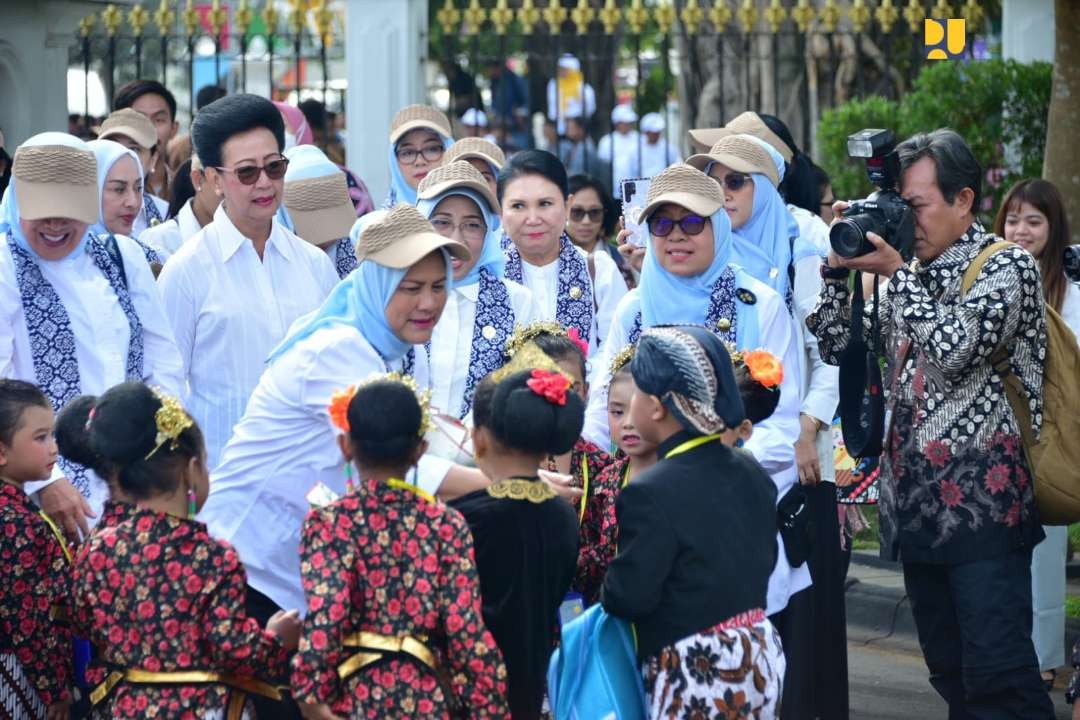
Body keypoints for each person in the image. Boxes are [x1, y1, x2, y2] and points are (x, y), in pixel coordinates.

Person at [808, 128, 1052, 717]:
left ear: (963, 200)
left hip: (985, 511)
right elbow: (838, 346)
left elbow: (952, 348)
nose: (904, 219)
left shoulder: (1006, 266)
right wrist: (840, 274)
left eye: (915, 206)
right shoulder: (899, 275)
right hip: (915, 510)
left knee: (1002, 678)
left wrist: (896, 272)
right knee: (950, 675)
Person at [200, 206, 490, 660]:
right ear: (374, 285)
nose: (429, 303)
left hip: (288, 566)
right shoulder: (339, 350)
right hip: (247, 563)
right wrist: (505, 484)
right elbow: (399, 463)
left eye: (438, 287)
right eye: (411, 288)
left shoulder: (381, 348)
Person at [68, 383, 300, 718]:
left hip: (124, 707)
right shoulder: (212, 556)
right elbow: (234, 649)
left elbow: (83, 621)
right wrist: (278, 639)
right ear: (192, 471)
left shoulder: (98, 547)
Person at [291, 375, 510, 719]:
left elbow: (327, 615)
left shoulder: (329, 523)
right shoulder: (446, 525)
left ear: (345, 445)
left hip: (354, 700)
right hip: (426, 699)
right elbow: (464, 629)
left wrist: (309, 695)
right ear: (420, 451)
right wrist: (489, 706)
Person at [0, 132, 183, 542]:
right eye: (43, 211)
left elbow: (164, 364)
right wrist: (45, 482)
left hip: (133, 489)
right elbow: (2, 390)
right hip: (40, 503)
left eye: (68, 211)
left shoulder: (123, 256)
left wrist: (157, 455)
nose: (54, 224)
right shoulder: (5, 265)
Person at [601, 325, 783, 719]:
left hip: (694, 666)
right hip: (758, 652)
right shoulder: (752, 472)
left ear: (655, 406)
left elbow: (629, 595)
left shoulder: (650, 490)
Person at [158, 94, 338, 470]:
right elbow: (166, 386)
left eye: (274, 167)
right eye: (246, 172)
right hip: (223, 480)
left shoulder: (314, 265)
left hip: (307, 474)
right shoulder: (187, 271)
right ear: (212, 179)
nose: (264, 183)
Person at [450, 353, 581, 720]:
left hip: (468, 690)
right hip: (528, 684)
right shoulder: (563, 515)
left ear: (478, 440)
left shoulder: (465, 517)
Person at [994, 178, 1077, 689]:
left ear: (1054, 228)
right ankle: (1008, 651)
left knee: (1047, 549)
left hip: (1050, 434)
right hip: (998, 431)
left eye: (1034, 221)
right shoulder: (993, 277)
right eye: (1013, 220)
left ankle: (1044, 658)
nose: (1020, 231)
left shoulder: (1068, 287)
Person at [417, 160, 539, 418]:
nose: (456, 239)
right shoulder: (399, 294)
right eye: (441, 222)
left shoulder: (516, 300)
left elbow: (529, 387)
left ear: (487, 234)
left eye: (472, 225)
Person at [499, 149, 627, 354]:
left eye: (545, 204)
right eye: (518, 206)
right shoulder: (488, 276)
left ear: (567, 206)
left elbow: (617, 352)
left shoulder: (599, 270)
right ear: (501, 213)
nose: (532, 219)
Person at [0, 379, 72, 720]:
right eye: (41, 438)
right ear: (1, 451)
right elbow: (26, 615)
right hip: (18, 671)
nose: (54, 449)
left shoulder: (17, 509)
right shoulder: (14, 521)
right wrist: (54, 689)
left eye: (53, 435)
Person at [574, 345, 657, 605]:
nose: (628, 423)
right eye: (617, 412)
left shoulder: (682, 478)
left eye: (639, 411)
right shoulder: (604, 480)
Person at [281, 144, 360, 279]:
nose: (327, 239)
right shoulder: (274, 260)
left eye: (333, 220)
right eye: (315, 222)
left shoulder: (358, 254)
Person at [85, 139, 164, 266]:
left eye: (138, 188)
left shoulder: (149, 257)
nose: (133, 202)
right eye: (119, 189)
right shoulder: (71, 263)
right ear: (90, 192)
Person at [96, 109, 170, 237]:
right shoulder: (74, 221)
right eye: (112, 146)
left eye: (134, 149)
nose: (123, 155)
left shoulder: (165, 214)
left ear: (153, 160)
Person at [140, 155, 219, 259]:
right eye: (218, 181)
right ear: (198, 180)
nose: (234, 196)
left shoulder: (242, 235)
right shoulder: (158, 241)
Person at [113, 79, 179, 200]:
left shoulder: (186, 189)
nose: (149, 129)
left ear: (174, 129)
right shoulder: (100, 191)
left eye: (159, 120)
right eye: (138, 119)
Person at [384, 104, 453, 207]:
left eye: (431, 149)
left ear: (450, 151)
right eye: (408, 153)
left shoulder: (476, 216)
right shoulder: (379, 221)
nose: (420, 161)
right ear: (394, 161)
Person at [566, 174, 620, 265]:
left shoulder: (624, 261)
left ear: (605, 214)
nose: (586, 221)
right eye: (577, 212)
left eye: (594, 212)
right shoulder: (545, 261)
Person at [558, 106, 611, 195]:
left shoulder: (586, 149)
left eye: (570, 128)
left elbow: (580, 175)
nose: (567, 130)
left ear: (581, 130)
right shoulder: (576, 145)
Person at [486, 58, 530, 151]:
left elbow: (526, 101)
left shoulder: (515, 80)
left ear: (498, 68)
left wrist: (520, 114)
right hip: (501, 125)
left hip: (517, 126)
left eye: (491, 69)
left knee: (520, 152)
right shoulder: (494, 81)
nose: (490, 72)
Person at [546, 54, 596, 136]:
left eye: (564, 69)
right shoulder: (553, 85)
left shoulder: (584, 88)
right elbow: (552, 109)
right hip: (557, 126)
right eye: (560, 68)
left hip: (577, 126)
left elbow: (589, 109)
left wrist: (574, 121)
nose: (561, 71)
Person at [597, 104, 640, 195]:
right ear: (616, 123)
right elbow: (603, 168)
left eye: (629, 122)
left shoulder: (638, 138)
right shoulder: (606, 141)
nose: (628, 125)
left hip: (637, 188)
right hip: (613, 189)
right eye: (625, 122)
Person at [638, 112, 680, 178]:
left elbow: (677, 168)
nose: (656, 135)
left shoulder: (669, 148)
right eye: (653, 132)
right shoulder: (637, 150)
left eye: (658, 132)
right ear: (646, 132)